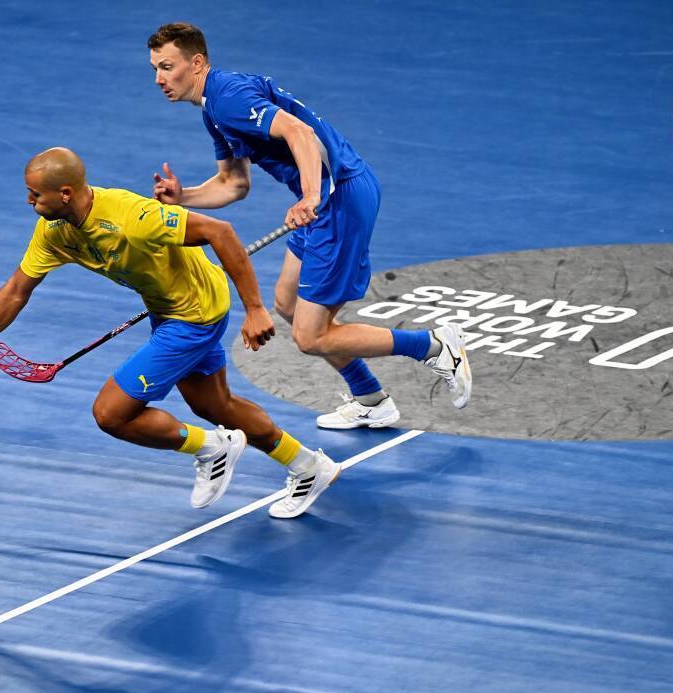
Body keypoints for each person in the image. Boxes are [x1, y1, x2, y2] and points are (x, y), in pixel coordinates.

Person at [0, 147, 342, 518]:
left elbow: (220, 232)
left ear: (65, 193)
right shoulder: (55, 231)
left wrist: (254, 309)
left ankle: (212, 447)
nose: (29, 202)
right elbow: (16, 290)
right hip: (172, 309)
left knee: (111, 414)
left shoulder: (131, 217)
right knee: (216, 406)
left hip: (192, 316)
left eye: (35, 195)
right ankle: (309, 466)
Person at [146, 22, 472, 430]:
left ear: (196, 63)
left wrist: (311, 196)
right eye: (155, 69)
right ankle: (370, 398)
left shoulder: (227, 98)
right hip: (326, 197)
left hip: (338, 198)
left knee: (311, 336)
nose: (159, 79)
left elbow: (298, 132)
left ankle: (434, 346)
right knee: (287, 303)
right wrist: (185, 196)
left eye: (167, 67)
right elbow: (234, 183)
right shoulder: (214, 108)